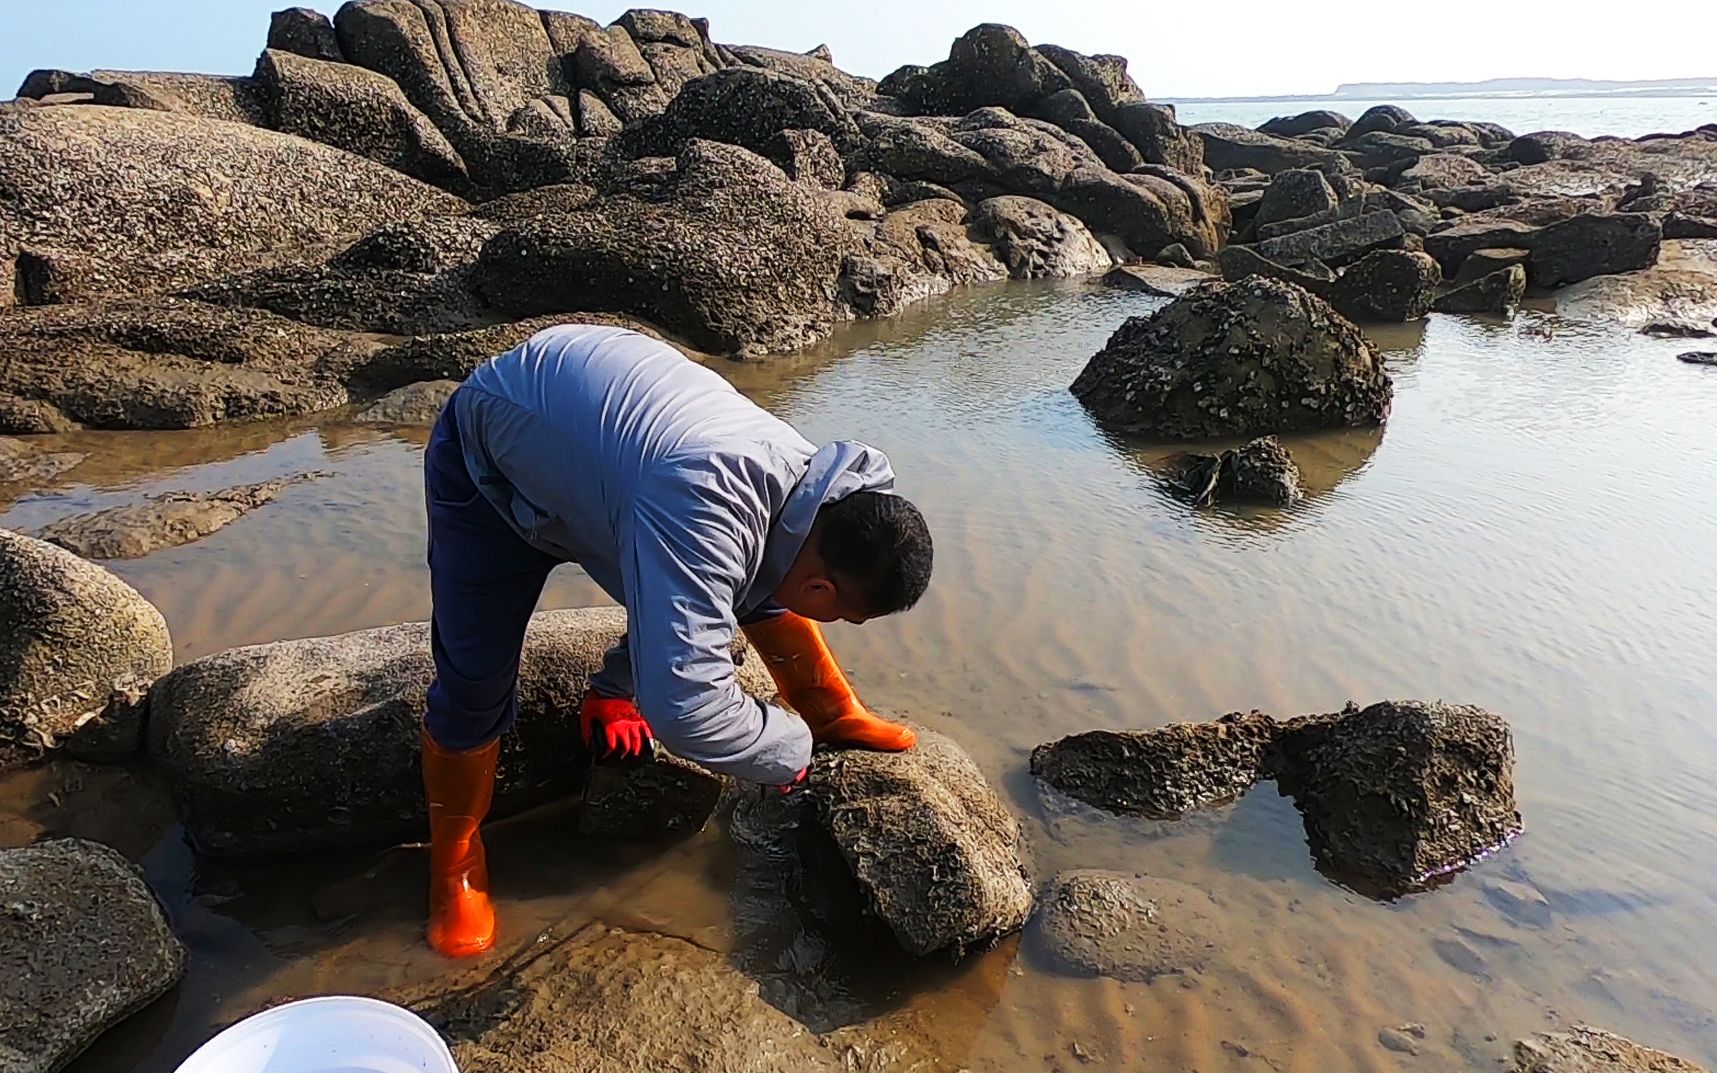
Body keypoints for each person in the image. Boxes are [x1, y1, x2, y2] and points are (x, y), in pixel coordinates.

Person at [419, 323, 934, 958]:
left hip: (598, 438)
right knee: (473, 679)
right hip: (490, 456)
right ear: (825, 592)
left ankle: (830, 709)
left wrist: (616, 688)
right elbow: (687, 709)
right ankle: (456, 864)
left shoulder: (817, 491)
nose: (836, 623)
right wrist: (787, 749)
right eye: (841, 615)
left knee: (755, 578)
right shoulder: (705, 505)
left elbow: (691, 590)